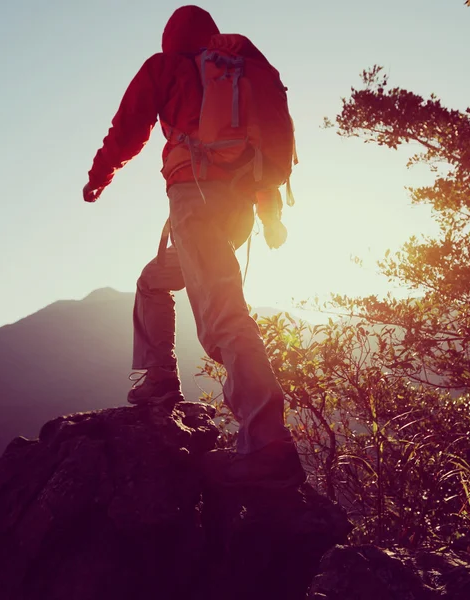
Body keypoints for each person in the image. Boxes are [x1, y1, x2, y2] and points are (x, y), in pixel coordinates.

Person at [83, 5, 305, 488]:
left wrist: (99, 176)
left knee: (222, 313)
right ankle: (160, 377)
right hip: (237, 210)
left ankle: (266, 441)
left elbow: (128, 128)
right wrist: (270, 219)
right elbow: (259, 149)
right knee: (154, 280)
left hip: (194, 202)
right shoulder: (236, 75)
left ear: (170, 38)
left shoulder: (166, 68)